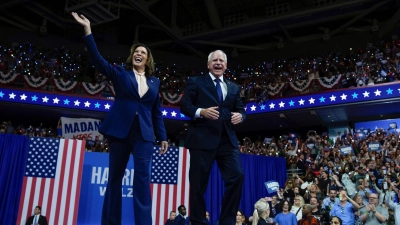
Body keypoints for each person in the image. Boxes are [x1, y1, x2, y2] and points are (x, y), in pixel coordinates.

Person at [71, 12, 168, 225]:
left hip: (144, 134)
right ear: (132, 56)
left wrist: (163, 136)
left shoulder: (155, 82)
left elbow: (156, 111)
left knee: (142, 181)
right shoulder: (120, 74)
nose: (138, 54)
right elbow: (97, 59)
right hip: (120, 131)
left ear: (147, 58)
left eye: (142, 52)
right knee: (114, 179)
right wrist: (88, 30)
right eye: (136, 51)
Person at [180, 50, 246, 225]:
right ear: (208, 64)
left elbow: (241, 109)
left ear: (226, 65)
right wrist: (201, 112)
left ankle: (227, 221)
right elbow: (185, 105)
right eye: (214, 60)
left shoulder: (233, 87)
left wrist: (241, 116)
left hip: (227, 140)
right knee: (198, 185)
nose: (218, 63)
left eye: (221, 61)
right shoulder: (196, 81)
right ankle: (198, 221)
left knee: (237, 176)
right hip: (202, 139)